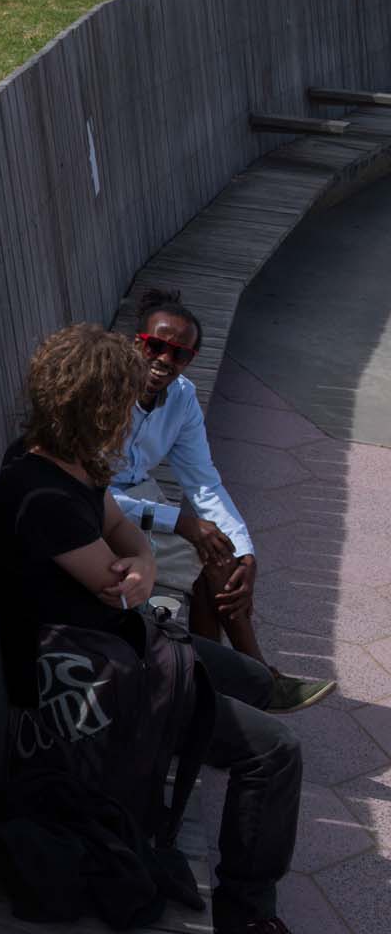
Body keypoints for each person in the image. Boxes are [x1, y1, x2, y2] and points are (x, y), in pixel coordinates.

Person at [0, 323, 323, 934]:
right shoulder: (42, 496)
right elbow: (120, 592)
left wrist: (137, 560)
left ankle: (261, 680)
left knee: (242, 674)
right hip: (94, 695)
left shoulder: (60, 464)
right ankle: (246, 915)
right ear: (100, 409)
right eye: (125, 405)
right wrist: (133, 571)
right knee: (275, 753)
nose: (131, 420)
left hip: (124, 648)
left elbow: (125, 548)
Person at [111, 288, 333, 712]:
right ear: (135, 342)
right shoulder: (105, 391)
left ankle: (217, 692)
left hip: (139, 503)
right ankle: (255, 680)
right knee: (205, 553)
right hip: (101, 514)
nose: (163, 361)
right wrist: (178, 521)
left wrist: (246, 552)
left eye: (179, 355)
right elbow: (89, 494)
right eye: (155, 346)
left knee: (222, 555)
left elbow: (204, 483)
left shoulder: (182, 399)